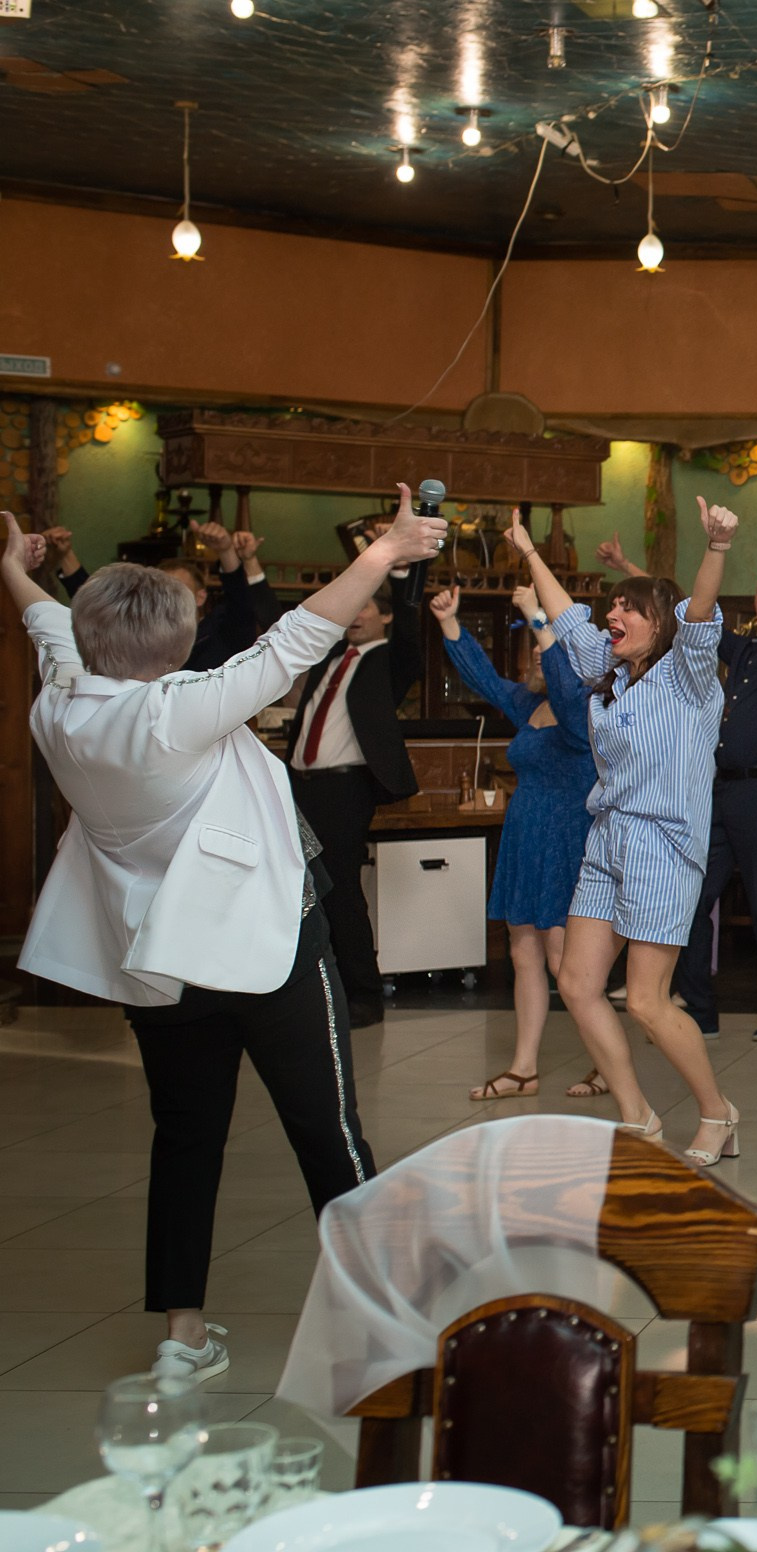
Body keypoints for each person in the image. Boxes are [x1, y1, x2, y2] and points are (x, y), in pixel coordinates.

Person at [2, 492, 445, 1384]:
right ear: (175, 645)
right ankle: (385, 1324)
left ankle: (183, 1337)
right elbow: (295, 642)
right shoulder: (177, 711)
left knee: (185, 1137)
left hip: (159, 963)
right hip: (264, 949)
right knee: (327, 1131)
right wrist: (390, 547)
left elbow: (47, 626)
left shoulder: (60, 708)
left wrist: (13, 567)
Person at [508, 501, 745, 1165]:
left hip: (663, 850)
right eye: (612, 608)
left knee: (645, 999)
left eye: (628, 609)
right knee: (579, 984)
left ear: (658, 622)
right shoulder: (608, 675)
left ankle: (716, 1112)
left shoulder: (688, 676)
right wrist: (528, 550)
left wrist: (718, 546)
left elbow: (698, 615)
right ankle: (637, 1117)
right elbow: (567, 618)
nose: (613, 617)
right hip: (605, 839)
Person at [593, 520, 757, 1044]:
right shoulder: (746, 650)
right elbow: (686, 614)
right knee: (693, 896)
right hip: (718, 790)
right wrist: (628, 571)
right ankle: (701, 1009)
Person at [430, 582, 598, 1102]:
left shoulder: (586, 708)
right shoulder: (528, 703)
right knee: (523, 951)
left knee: (562, 961)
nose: (533, 653)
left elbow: (569, 701)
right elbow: (482, 678)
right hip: (526, 835)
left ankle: (605, 1063)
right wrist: (450, 624)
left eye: (542, 644)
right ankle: (524, 1068)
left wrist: (542, 622)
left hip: (568, 838)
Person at [284, 520, 428, 1030]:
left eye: (367, 604)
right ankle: (309, 989)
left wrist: (410, 570)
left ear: (385, 617)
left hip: (344, 788)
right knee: (299, 891)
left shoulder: (389, 661)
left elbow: (413, 625)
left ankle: (363, 996)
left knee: (339, 889)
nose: (357, 612)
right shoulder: (330, 658)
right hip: (297, 788)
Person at [54, 520, 284, 673]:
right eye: (161, 593)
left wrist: (225, 551)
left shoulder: (223, 631)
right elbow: (99, 607)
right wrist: (65, 556)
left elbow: (241, 603)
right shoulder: (142, 633)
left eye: (178, 590)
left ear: (200, 596)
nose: (168, 600)